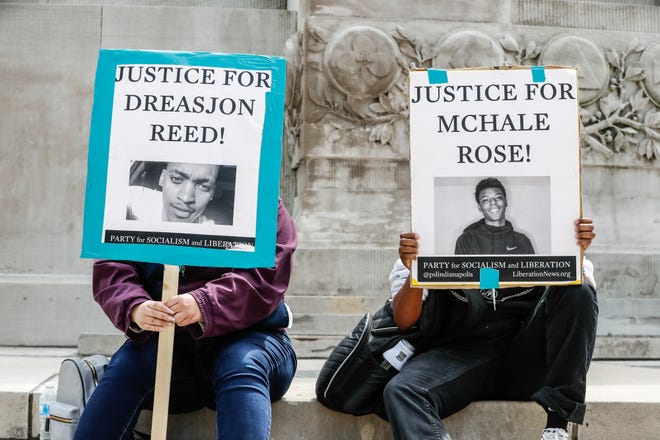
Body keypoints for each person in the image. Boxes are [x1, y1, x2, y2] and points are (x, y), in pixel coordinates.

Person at [74, 200, 298, 440]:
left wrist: (205, 303)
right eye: (178, 178)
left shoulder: (259, 195)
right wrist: (135, 307)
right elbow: (112, 264)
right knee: (127, 368)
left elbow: (268, 272)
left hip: (254, 339)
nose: (187, 195)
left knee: (241, 365)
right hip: (166, 342)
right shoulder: (131, 202)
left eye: (203, 184)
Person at [384, 218, 598, 440]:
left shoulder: (542, 240)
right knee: (401, 391)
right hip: (460, 357)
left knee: (579, 288)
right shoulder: (426, 241)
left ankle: (556, 428)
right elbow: (403, 319)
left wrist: (573, 252)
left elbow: (581, 303)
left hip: (526, 358)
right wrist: (415, 271)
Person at [455, 177, 534, 254]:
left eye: (498, 197)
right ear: (480, 206)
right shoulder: (465, 241)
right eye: (485, 200)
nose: (493, 202)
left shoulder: (523, 241)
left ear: (505, 201)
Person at [127, 162, 221, 224]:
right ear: (162, 179)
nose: (186, 198)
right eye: (176, 179)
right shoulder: (135, 197)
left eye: (204, 187)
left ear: (212, 193)